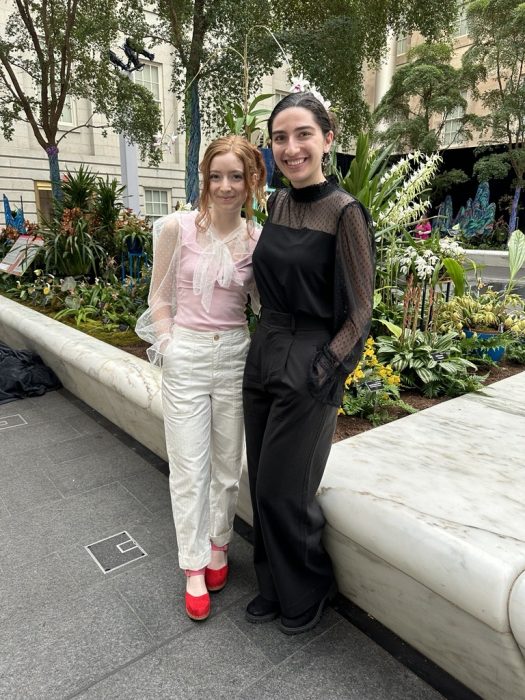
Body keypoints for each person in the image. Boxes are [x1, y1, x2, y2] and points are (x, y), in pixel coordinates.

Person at [242, 92, 375, 635]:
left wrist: (326, 368)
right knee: (260, 484)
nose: (291, 148)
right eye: (280, 138)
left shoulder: (345, 213)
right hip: (265, 346)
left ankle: (309, 588)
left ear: (327, 139)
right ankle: (273, 588)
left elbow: (362, 308)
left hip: (310, 357)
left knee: (285, 488)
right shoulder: (276, 204)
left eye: (302, 135)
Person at [136, 135, 266, 621]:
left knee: (229, 465)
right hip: (187, 355)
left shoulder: (257, 240)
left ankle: (219, 544)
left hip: (235, 355)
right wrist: (169, 344)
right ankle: (193, 566)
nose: (226, 186)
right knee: (190, 468)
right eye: (216, 175)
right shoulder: (176, 227)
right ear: (203, 178)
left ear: (252, 181)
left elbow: (262, 308)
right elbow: (159, 297)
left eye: (237, 176)